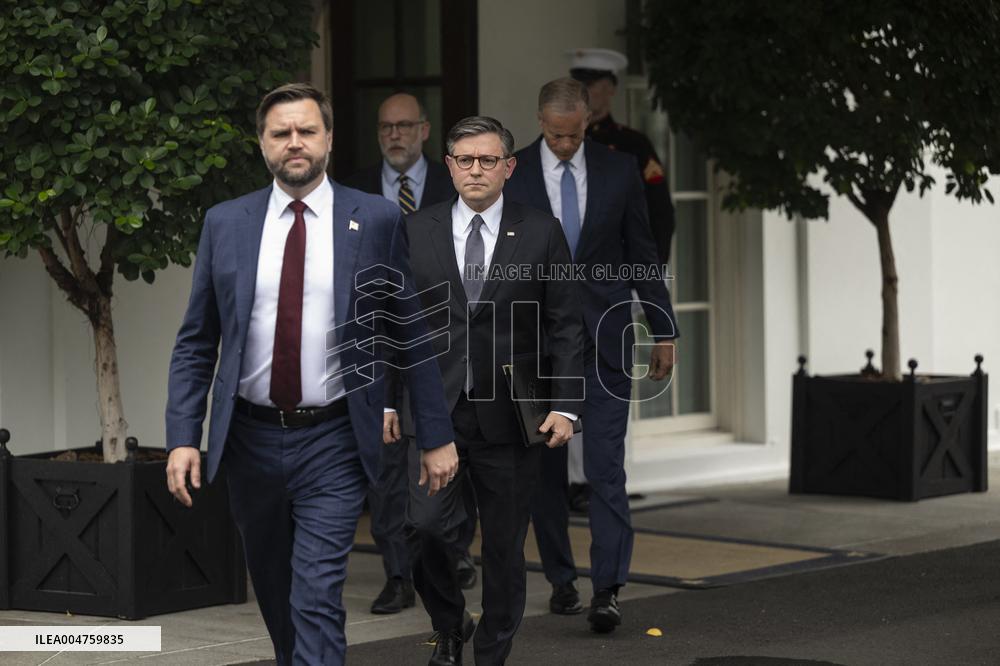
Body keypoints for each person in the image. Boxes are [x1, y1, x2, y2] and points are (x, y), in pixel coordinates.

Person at [164, 82, 458, 666]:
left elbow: (409, 329)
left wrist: (437, 434)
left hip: (334, 436)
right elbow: (197, 340)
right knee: (274, 590)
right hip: (248, 439)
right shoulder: (226, 223)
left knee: (318, 593)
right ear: (262, 144)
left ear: (327, 138)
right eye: (281, 133)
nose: (294, 143)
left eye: (306, 131)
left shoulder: (373, 218)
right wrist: (181, 436)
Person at [386, 115, 584, 665]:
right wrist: (387, 396)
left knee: (502, 549)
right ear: (448, 166)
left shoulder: (541, 230)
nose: (476, 170)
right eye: (465, 160)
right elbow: (391, 320)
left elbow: (565, 323)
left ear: (509, 167)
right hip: (434, 412)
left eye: (488, 160)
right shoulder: (415, 228)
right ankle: (450, 625)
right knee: (422, 530)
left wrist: (566, 405)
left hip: (512, 415)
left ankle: (492, 654)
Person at [505, 77, 679, 634]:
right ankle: (561, 579)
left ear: (586, 122)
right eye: (556, 135)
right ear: (539, 122)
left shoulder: (617, 168)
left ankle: (607, 589)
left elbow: (642, 253)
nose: (564, 144)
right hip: (536, 351)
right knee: (545, 473)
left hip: (604, 341)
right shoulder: (513, 173)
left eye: (574, 134)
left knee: (606, 470)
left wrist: (663, 328)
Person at [345, 93, 478, 615]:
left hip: (444, 339)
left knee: (449, 447)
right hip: (376, 338)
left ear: (425, 130)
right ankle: (398, 573)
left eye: (404, 126)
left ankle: (453, 548)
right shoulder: (352, 190)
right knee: (384, 461)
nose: (394, 135)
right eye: (385, 127)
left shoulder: (455, 187)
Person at [568, 48, 676, 264]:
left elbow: (659, 212)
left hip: (619, 272)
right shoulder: (558, 142)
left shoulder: (633, 145)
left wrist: (649, 274)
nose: (581, 93)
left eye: (589, 85)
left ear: (610, 89)